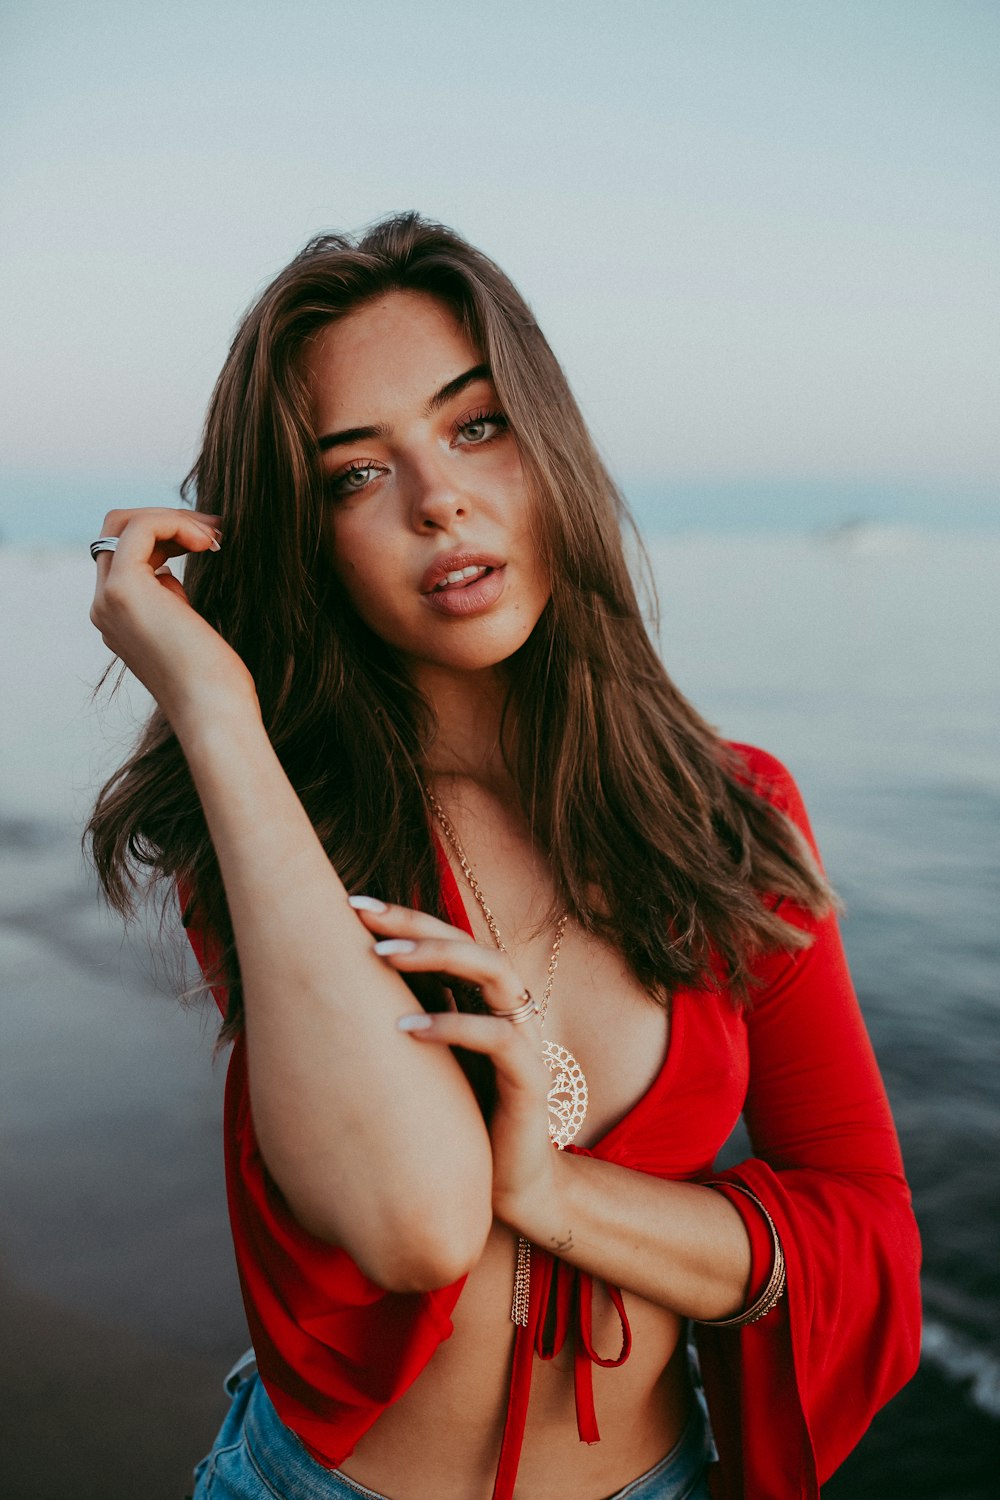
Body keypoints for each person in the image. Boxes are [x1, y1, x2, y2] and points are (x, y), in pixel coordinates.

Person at [86, 213, 921, 1500]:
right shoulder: (264, 825)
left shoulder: (732, 812)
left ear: (551, 445)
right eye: (353, 474)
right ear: (305, 539)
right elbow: (416, 1226)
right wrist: (214, 710)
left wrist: (548, 1194)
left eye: (475, 425)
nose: (440, 501)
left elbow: (861, 1227)